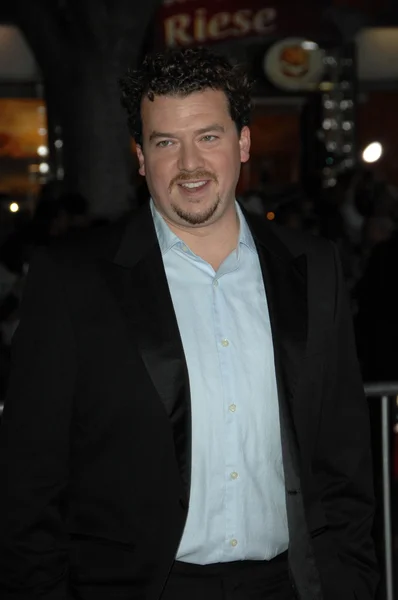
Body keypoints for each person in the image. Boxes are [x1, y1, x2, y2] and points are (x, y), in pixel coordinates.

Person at [0, 47, 378, 600]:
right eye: (165, 143)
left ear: (242, 143)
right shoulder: (71, 281)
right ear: (140, 156)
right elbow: (28, 483)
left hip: (290, 584)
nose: (190, 165)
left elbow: (344, 461)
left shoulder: (313, 267)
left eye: (208, 136)